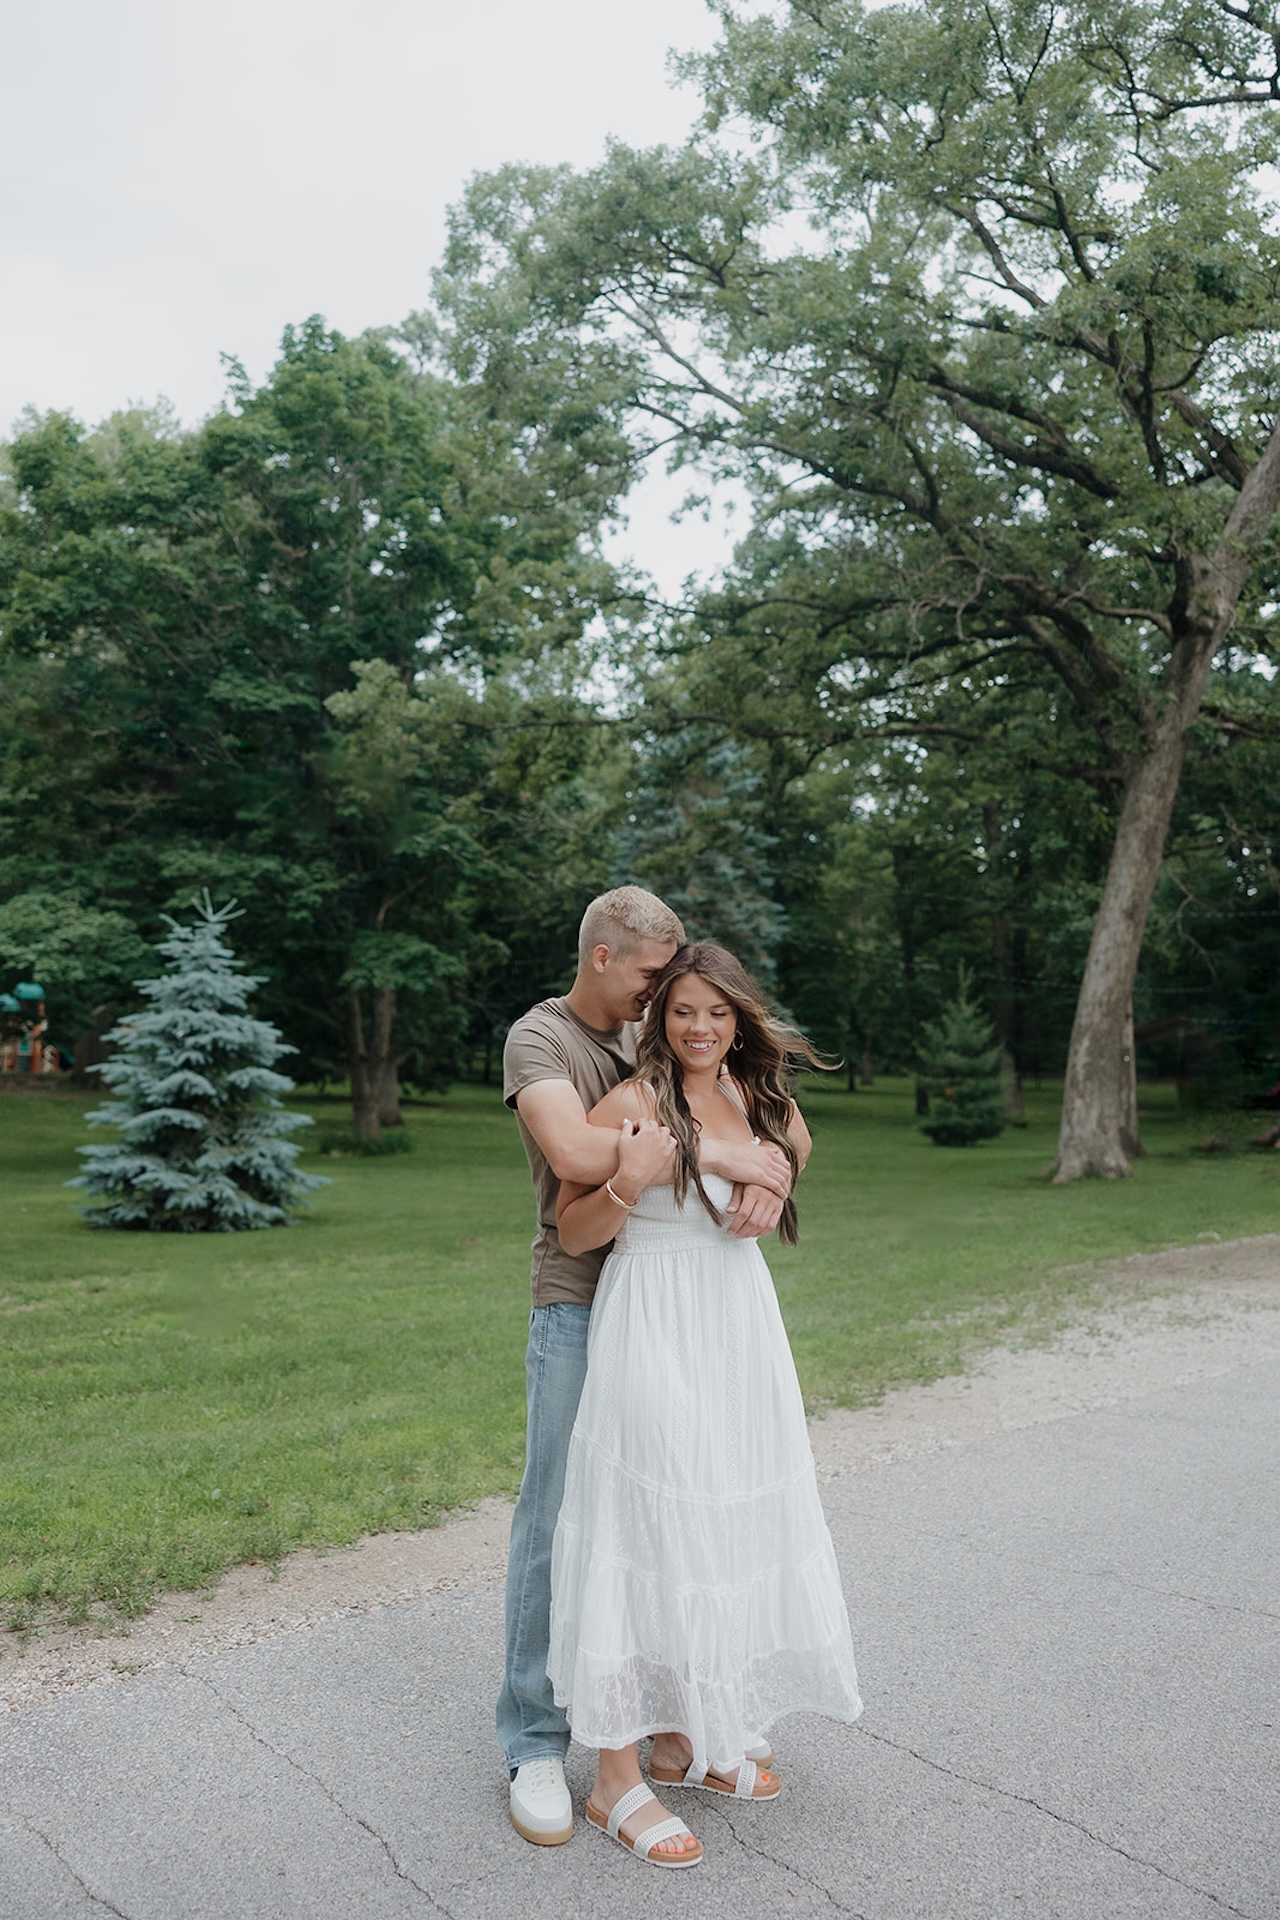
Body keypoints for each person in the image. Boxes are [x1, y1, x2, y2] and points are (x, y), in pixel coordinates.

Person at [547, 942, 863, 1869]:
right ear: (659, 1016)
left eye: (716, 1013)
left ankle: (683, 1738)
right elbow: (572, 1228)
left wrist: (779, 1180)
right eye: (682, 1010)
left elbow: (794, 1149)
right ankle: (613, 1776)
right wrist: (625, 1182)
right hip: (652, 1324)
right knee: (642, 1527)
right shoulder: (635, 1104)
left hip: (737, 1330)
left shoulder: (760, 1099)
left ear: (739, 1019)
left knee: (719, 1532)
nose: (699, 1028)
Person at [499, 891, 794, 1846]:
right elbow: (585, 1156)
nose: (673, 1002)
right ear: (602, 960)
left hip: (711, 1325)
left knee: (681, 1519)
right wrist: (722, 1160)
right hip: (587, 1307)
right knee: (573, 1523)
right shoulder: (544, 1043)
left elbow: (784, 1124)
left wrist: (772, 1167)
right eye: (655, 983)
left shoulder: (654, 1040)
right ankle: (542, 1742)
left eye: (696, 998)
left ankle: (676, 1734)